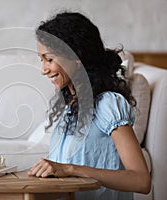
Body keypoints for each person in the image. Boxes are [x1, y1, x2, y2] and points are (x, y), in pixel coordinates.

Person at [27, 11, 151, 199]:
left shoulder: (108, 104)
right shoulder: (69, 107)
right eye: (41, 60)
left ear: (77, 57)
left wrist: (70, 169)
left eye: (49, 59)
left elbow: (141, 180)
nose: (43, 70)